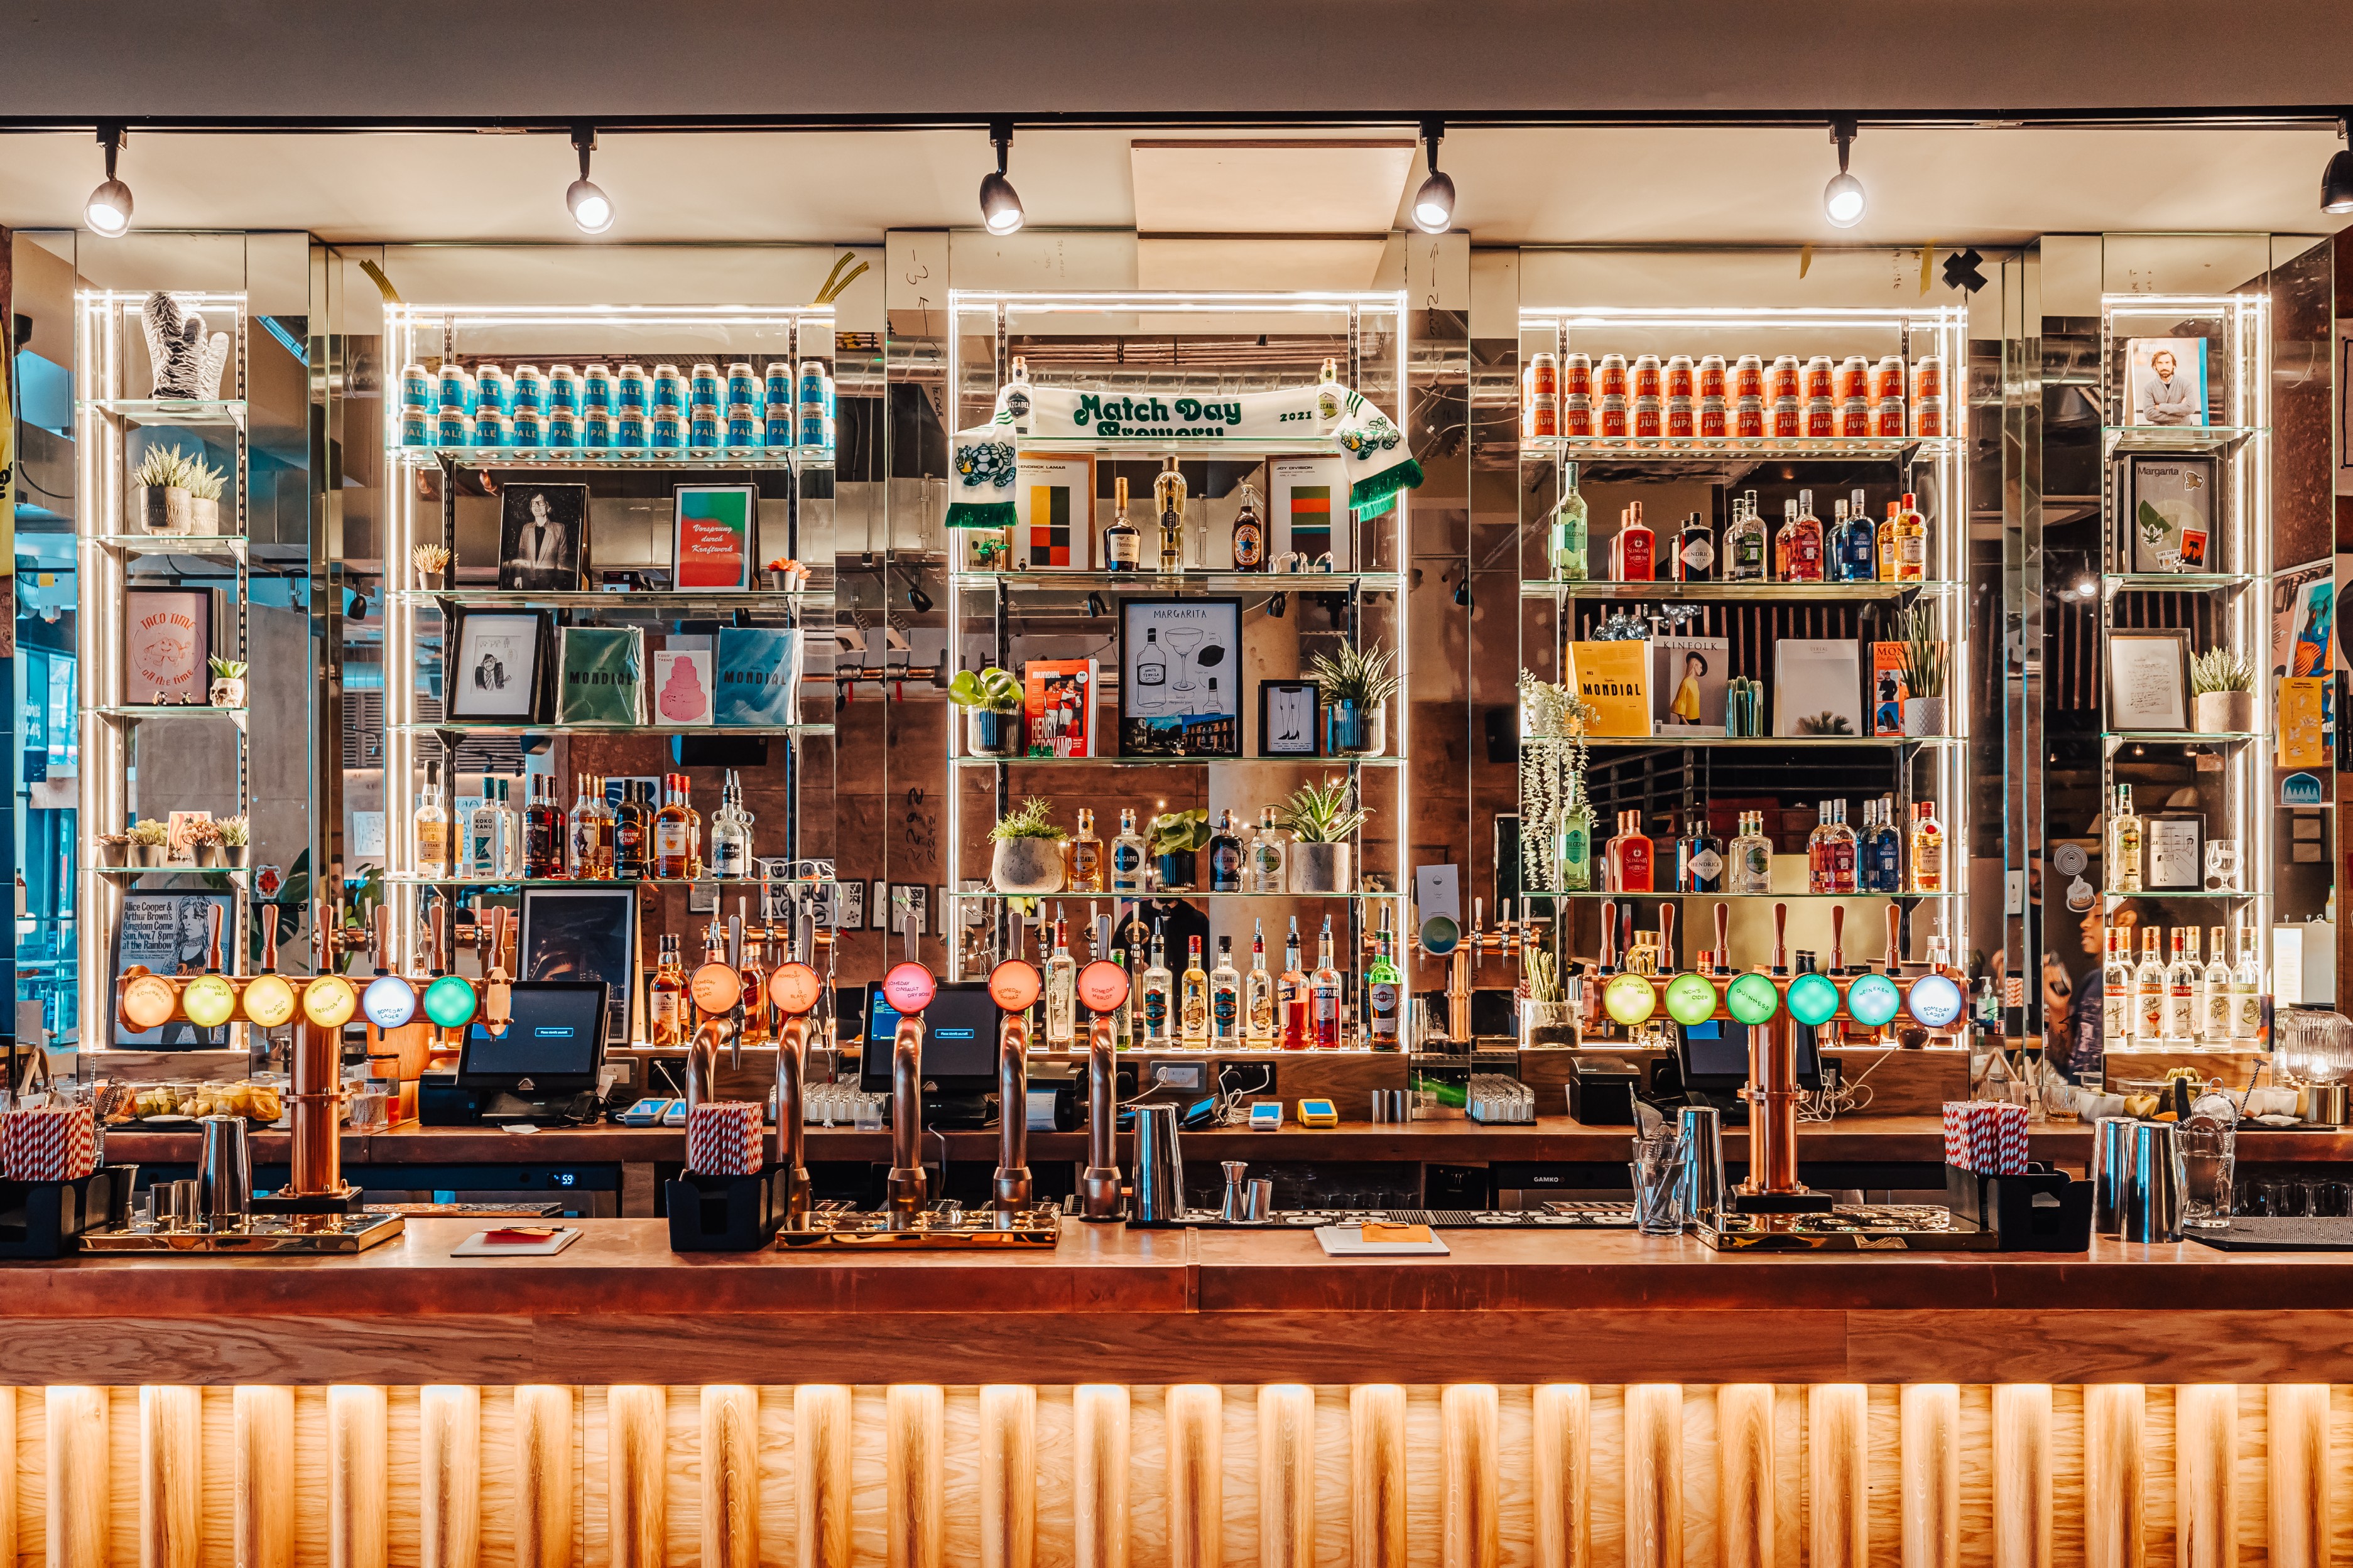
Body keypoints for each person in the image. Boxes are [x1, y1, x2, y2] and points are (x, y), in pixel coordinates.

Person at [504, 490, 572, 589]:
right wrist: (518, 576)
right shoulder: (526, 528)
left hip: (549, 584)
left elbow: (562, 560)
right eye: (533, 504)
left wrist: (558, 584)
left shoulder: (559, 529)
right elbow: (521, 554)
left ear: (548, 506)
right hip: (527, 582)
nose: (536, 507)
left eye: (540, 503)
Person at [2137, 347, 2200, 426]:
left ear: (2173, 365)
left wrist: (2161, 407)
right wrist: (2179, 417)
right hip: (2159, 435)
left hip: (2183, 434)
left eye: (2167, 363)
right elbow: (2149, 414)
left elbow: (2190, 408)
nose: (2164, 367)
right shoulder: (2149, 387)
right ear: (2155, 366)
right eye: (2160, 363)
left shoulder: (2186, 384)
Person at [1666, 650, 1706, 726]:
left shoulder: (1695, 683)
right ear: (1695, 666)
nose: (1702, 670)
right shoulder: (1686, 683)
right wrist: (1686, 723)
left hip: (1697, 721)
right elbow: (1679, 706)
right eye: (1700, 667)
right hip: (1688, 723)